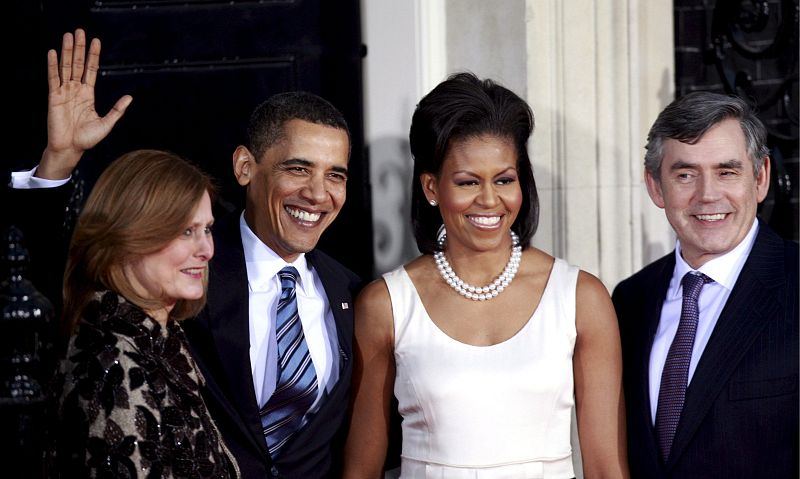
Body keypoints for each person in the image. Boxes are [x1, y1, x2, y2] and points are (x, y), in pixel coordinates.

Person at [20, 28, 362, 479]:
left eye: (335, 175)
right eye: (298, 168)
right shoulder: (182, 272)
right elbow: (52, 287)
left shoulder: (350, 290)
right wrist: (58, 163)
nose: (318, 193)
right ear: (245, 167)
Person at [343, 73, 628, 478]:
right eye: (467, 182)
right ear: (431, 187)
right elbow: (361, 470)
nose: (490, 200)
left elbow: (605, 468)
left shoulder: (581, 297)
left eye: (504, 180)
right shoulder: (385, 304)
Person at [612, 92, 798, 477]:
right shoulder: (629, 300)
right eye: (685, 174)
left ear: (760, 178)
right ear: (656, 187)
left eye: (727, 172)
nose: (708, 194)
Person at [51, 149, 239, 477]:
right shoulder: (112, 360)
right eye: (186, 231)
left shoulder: (159, 341)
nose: (207, 250)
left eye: (206, 229)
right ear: (130, 236)